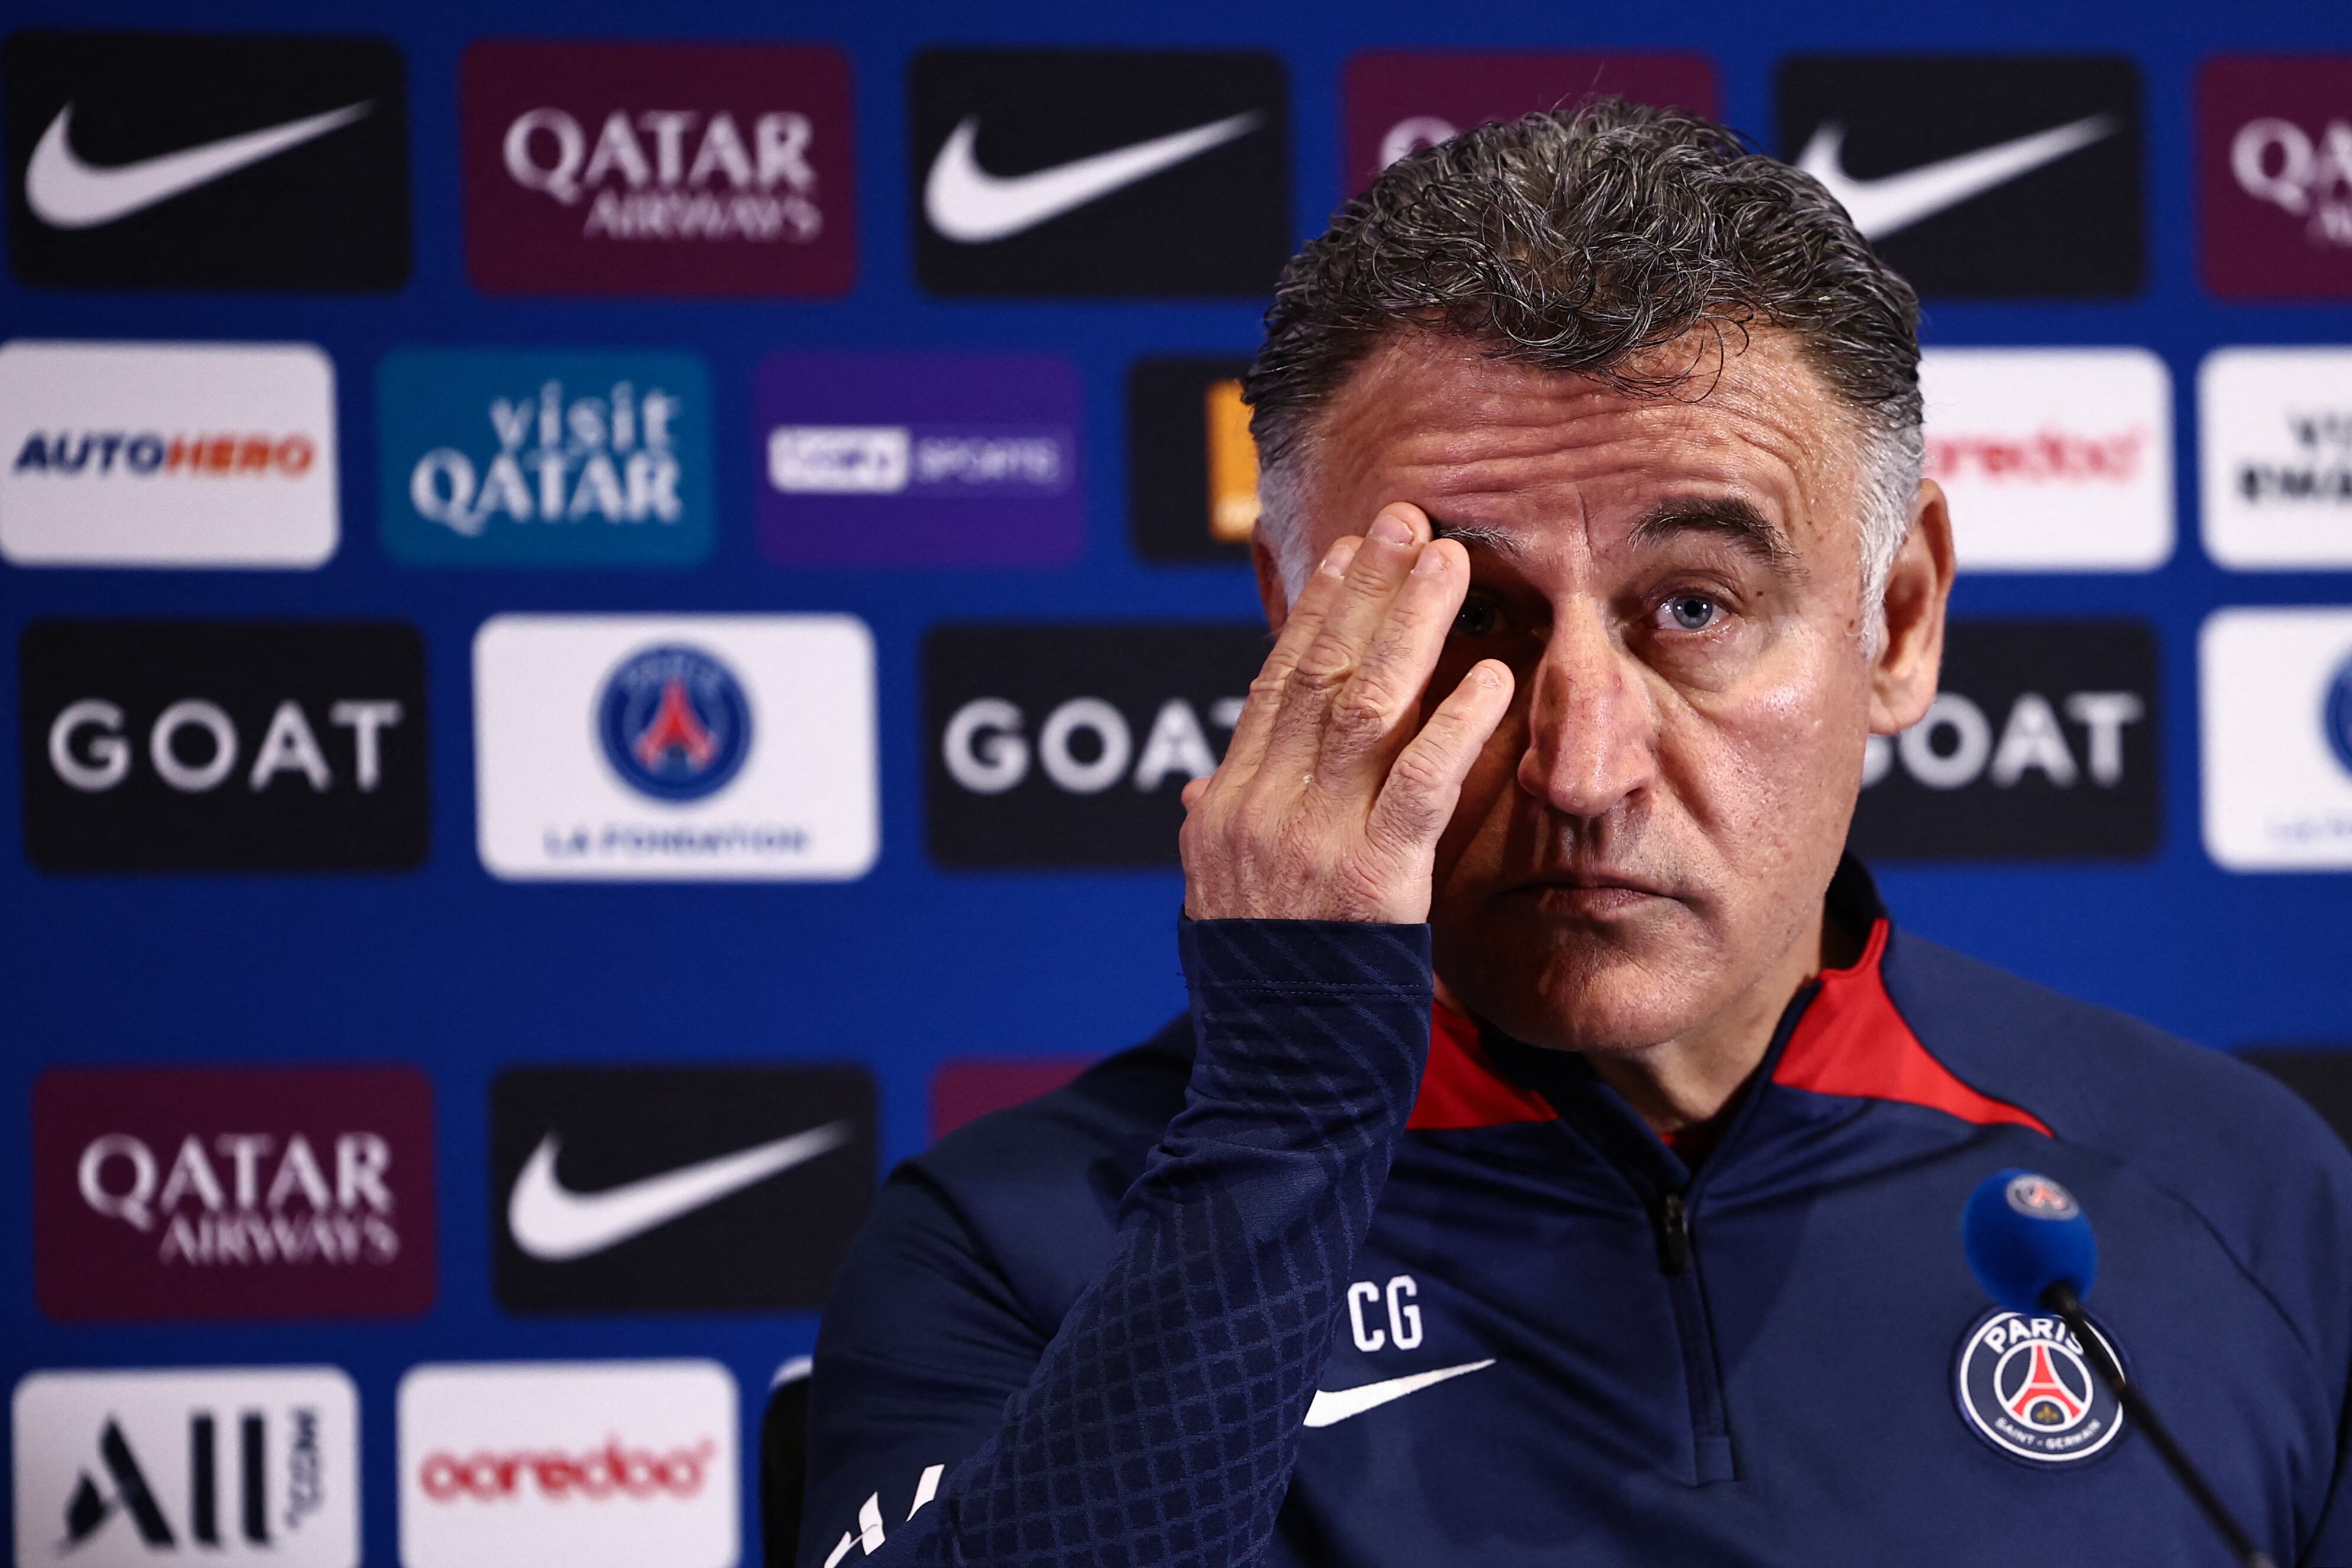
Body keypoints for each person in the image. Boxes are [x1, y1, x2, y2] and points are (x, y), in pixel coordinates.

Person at [801, 100, 2352, 1567]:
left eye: (1695, 607)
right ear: (1298, 631)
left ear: (1898, 619)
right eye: (1472, 615)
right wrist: (1283, 1136)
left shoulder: (2241, 1198)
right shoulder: (1015, 1246)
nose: (1580, 765)